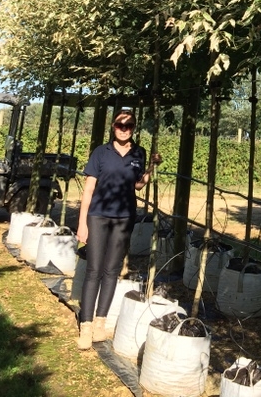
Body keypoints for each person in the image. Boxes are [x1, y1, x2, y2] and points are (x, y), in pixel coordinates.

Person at [75, 109, 161, 350]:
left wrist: (151, 168)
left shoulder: (138, 153)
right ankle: (86, 325)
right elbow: (89, 190)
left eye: (129, 125)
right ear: (113, 126)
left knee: (112, 270)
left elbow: (137, 185)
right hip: (98, 216)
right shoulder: (100, 153)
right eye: (120, 125)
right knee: (94, 270)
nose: (124, 129)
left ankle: (101, 323)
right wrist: (82, 223)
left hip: (125, 218)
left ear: (134, 127)